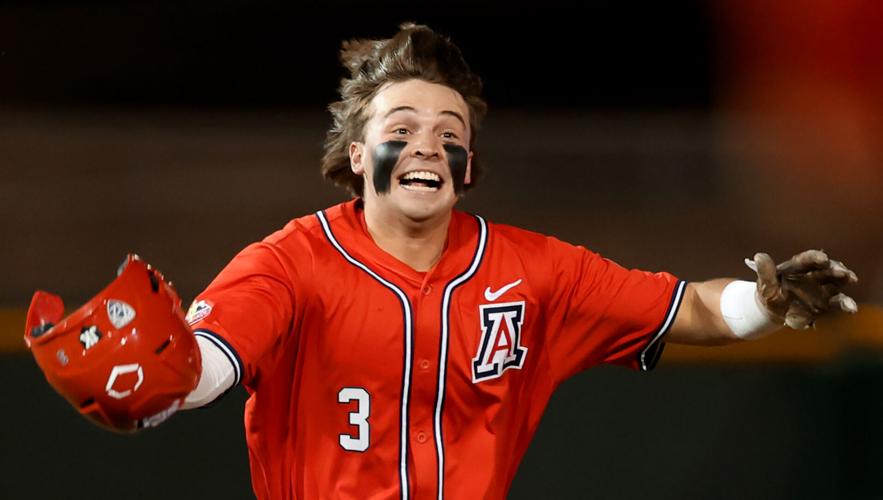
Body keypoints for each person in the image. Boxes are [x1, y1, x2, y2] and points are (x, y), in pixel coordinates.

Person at [30, 22, 859, 500]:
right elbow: (212, 357)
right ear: (356, 157)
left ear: (467, 166)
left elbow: (688, 308)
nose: (427, 145)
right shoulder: (288, 262)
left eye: (449, 135)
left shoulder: (536, 271)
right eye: (400, 133)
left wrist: (766, 301)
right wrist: (176, 384)